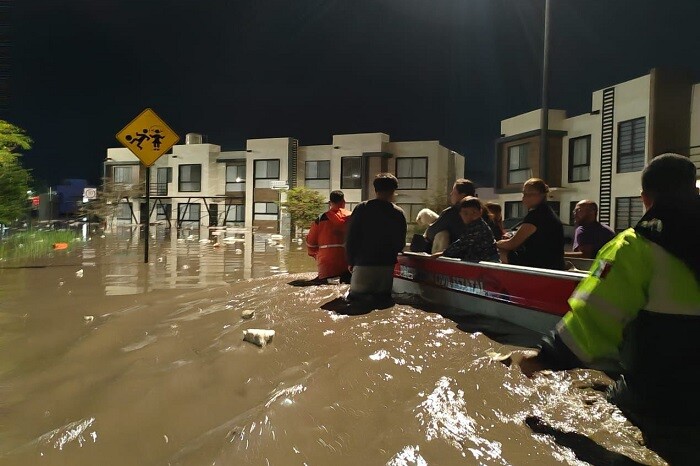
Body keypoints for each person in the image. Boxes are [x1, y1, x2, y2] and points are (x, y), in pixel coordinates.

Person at [515, 153, 700, 465]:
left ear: (645, 199)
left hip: (663, 401)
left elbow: (594, 319)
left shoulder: (635, 247)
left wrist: (543, 357)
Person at [345, 173, 407, 306]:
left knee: (355, 302)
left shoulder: (362, 208)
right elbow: (400, 243)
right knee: (382, 302)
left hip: (363, 265)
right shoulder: (398, 213)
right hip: (386, 267)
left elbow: (351, 237)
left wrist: (351, 261)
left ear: (375, 189)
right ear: (393, 191)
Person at [495, 178, 565, 270]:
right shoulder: (546, 212)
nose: (525, 197)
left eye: (530, 194)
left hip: (539, 265)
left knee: (501, 251)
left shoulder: (537, 216)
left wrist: (497, 243)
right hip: (552, 264)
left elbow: (512, 244)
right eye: (524, 194)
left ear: (542, 195)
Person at [306, 190, 352, 283]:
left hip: (326, 266)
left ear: (330, 203)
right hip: (348, 263)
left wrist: (316, 255)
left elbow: (310, 244)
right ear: (344, 202)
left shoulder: (320, 219)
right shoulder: (352, 217)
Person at [434, 197, 499, 263]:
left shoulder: (478, 227)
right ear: (460, 214)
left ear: (480, 212)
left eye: (474, 212)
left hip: (489, 263)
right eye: (465, 213)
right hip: (480, 262)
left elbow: (462, 243)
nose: (469, 216)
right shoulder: (469, 227)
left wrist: (443, 254)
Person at [424, 179, 476, 253]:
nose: (451, 194)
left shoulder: (452, 213)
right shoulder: (484, 211)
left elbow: (431, 233)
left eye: (454, 192)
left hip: (456, 258)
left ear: (463, 195)